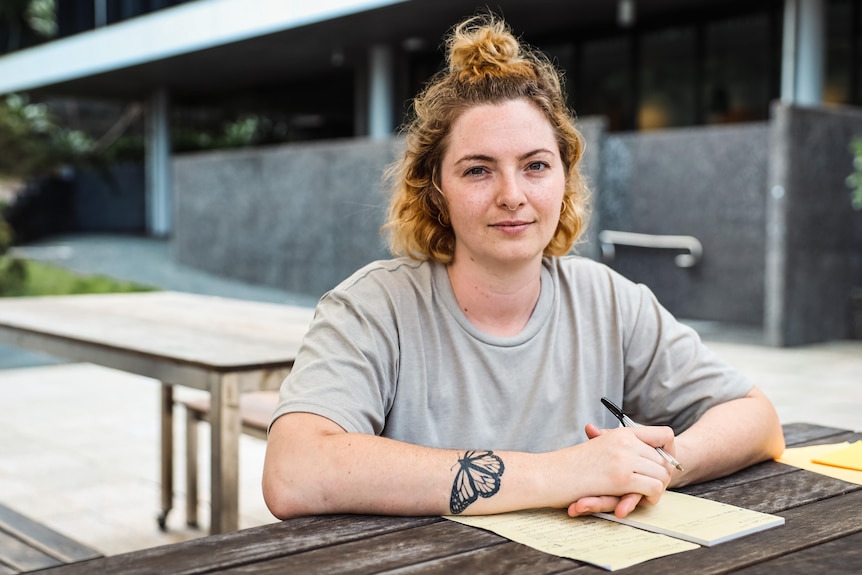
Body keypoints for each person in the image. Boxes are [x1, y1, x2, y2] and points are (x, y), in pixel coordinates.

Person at [262, 12, 785, 521]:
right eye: (478, 170)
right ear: (436, 190)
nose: (512, 196)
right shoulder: (373, 307)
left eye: (535, 165)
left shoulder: (607, 299)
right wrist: (561, 473)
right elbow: (293, 471)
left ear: (564, 178)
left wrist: (655, 469)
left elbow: (758, 419)